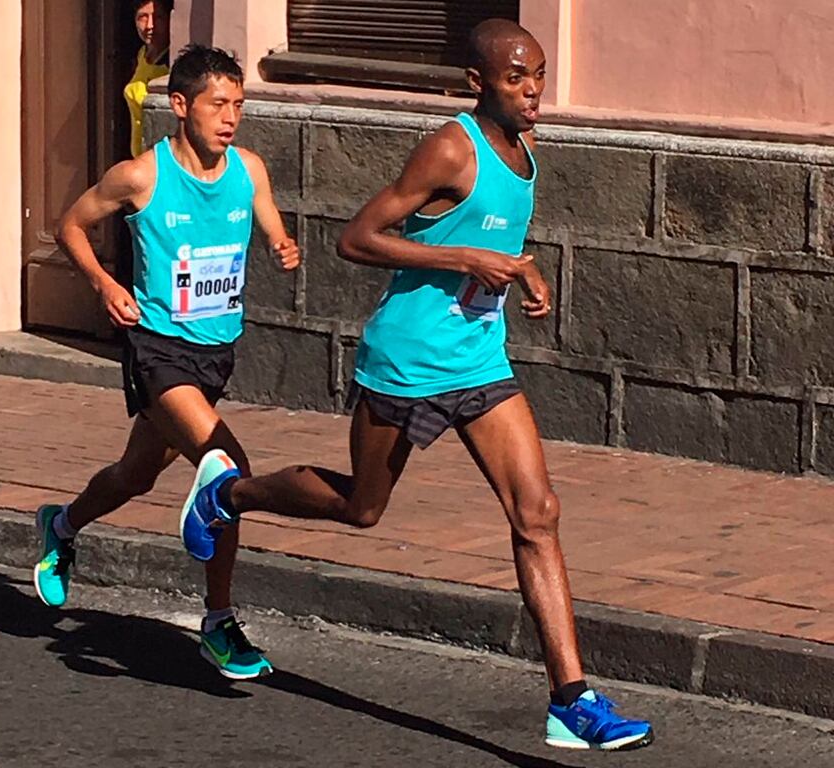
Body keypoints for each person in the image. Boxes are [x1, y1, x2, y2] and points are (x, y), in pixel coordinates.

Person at [177, 19, 654, 751]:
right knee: (361, 506)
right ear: (477, 83)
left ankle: (572, 699)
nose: (532, 92)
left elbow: (494, 244)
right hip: (404, 362)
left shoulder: (523, 149)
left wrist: (519, 268)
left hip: (479, 364)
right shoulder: (450, 147)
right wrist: (466, 259)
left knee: (538, 512)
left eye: (539, 76)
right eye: (515, 79)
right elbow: (357, 237)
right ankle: (228, 495)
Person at [34, 44, 300, 682]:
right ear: (180, 106)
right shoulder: (141, 176)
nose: (230, 117)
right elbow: (70, 225)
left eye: (238, 104)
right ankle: (220, 621)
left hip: (216, 354)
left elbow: (269, 223)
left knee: (135, 476)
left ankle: (61, 525)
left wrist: (283, 243)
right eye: (218, 104)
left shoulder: (249, 169)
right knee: (227, 471)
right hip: (157, 350)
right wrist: (103, 284)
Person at [124, 0, 173, 159]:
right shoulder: (142, 54)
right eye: (142, 17)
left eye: (158, 17)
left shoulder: (171, 62)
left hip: (158, 159)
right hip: (139, 157)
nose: (150, 25)